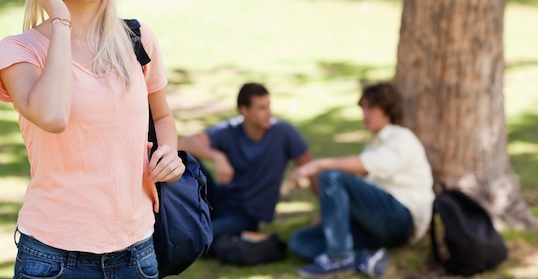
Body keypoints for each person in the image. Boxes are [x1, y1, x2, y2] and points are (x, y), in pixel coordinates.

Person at [0, 0, 185, 279]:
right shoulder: (19, 50)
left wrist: (169, 153)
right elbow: (52, 116)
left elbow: (160, 114)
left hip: (137, 252)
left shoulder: (136, 39)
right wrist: (60, 21)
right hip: (52, 258)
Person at [288, 82, 434, 278]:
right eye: (363, 108)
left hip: (401, 217)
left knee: (330, 177)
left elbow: (366, 167)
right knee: (300, 240)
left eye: (371, 108)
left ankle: (339, 259)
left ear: (388, 109)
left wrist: (318, 164)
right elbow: (361, 191)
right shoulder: (373, 144)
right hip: (375, 223)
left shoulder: (401, 138)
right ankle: (362, 259)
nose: (365, 114)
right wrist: (331, 218)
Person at [178, 82, 318, 244]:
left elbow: (311, 168)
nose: (269, 113)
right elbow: (184, 143)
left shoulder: (283, 133)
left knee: (201, 234)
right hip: (220, 199)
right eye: (261, 108)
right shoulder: (230, 130)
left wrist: (325, 213)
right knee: (184, 159)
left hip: (246, 214)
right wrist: (218, 157)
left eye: (268, 106)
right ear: (244, 111)